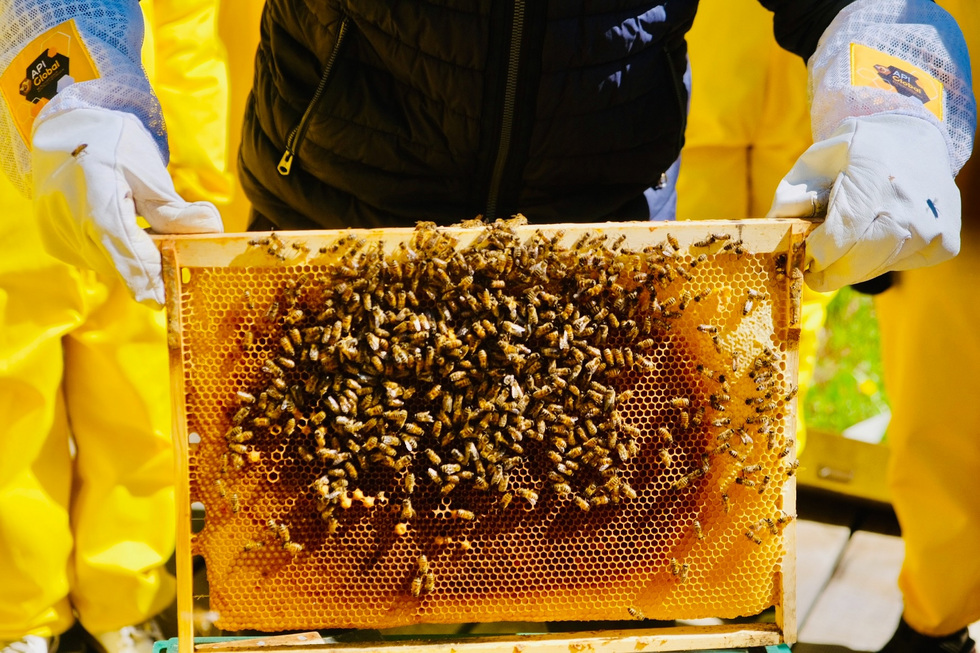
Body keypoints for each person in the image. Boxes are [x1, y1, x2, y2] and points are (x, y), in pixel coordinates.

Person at [0, 0, 975, 648]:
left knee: (606, 582)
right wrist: (71, 89)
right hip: (329, 266)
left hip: (606, 283)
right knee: (336, 586)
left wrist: (895, 101)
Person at [0, 2, 231, 653]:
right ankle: (16, 613)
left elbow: (190, 31)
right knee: (11, 398)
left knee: (145, 392)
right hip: (19, 149)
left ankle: (126, 598)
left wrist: (199, 173)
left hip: (144, 151)